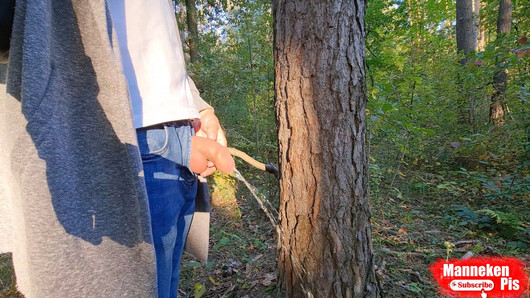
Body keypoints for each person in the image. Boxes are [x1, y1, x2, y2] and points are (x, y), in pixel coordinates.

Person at [107, 1, 234, 297]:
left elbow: (157, 48)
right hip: (134, 139)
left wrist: (199, 108)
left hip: (178, 132)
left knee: (166, 282)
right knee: (142, 286)